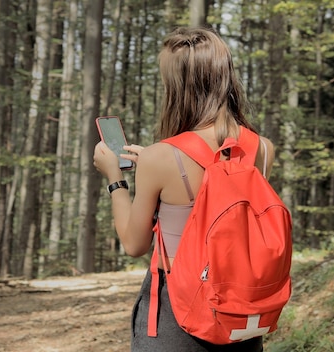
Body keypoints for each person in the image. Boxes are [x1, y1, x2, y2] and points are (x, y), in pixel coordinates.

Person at [92, 27, 275, 352]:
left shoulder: (161, 157)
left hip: (177, 313)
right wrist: (153, 159)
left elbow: (134, 243)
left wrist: (115, 179)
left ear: (178, 89)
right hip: (239, 312)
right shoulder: (261, 148)